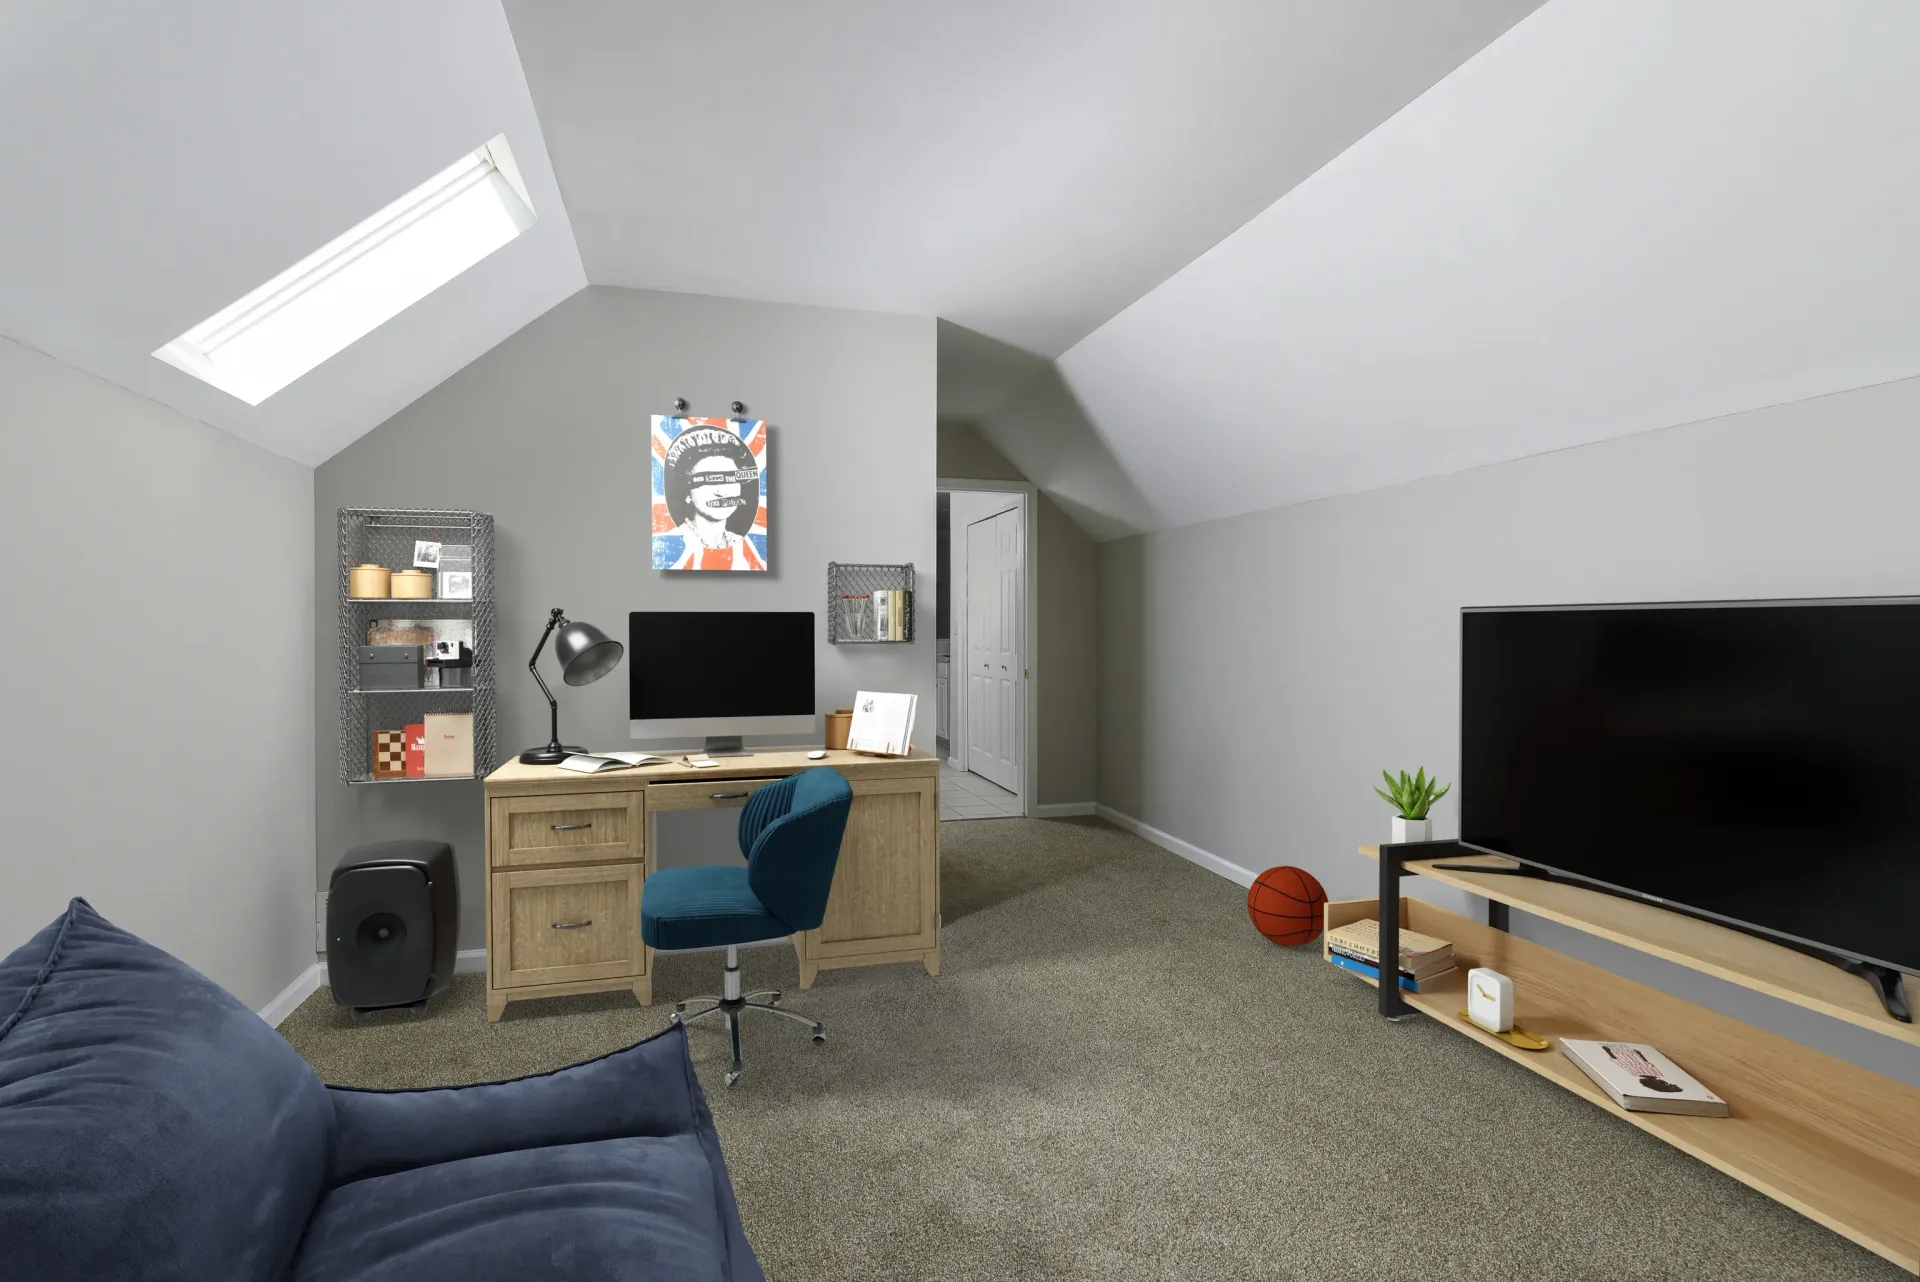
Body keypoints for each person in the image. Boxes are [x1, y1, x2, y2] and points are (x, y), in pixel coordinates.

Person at [659, 426, 766, 571]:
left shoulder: (737, 540)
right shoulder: (674, 542)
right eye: (708, 482)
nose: (722, 492)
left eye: (730, 480)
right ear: (687, 493)